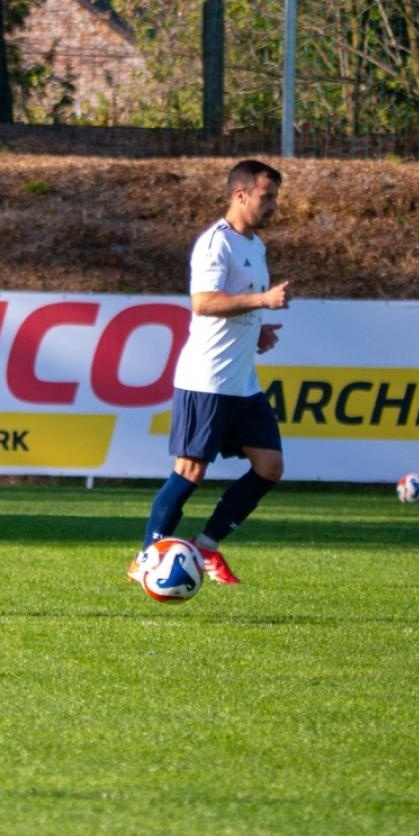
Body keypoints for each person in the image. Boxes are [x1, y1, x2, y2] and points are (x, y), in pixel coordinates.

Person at [129, 158, 291, 589]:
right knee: (190, 471)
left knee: (270, 466)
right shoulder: (214, 243)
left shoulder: (255, 246)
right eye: (266, 196)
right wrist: (262, 304)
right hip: (208, 378)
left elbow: (235, 304)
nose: (273, 204)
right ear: (240, 194)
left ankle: (205, 544)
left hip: (243, 382)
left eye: (274, 196)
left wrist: (258, 331)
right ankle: (145, 558)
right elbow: (202, 303)